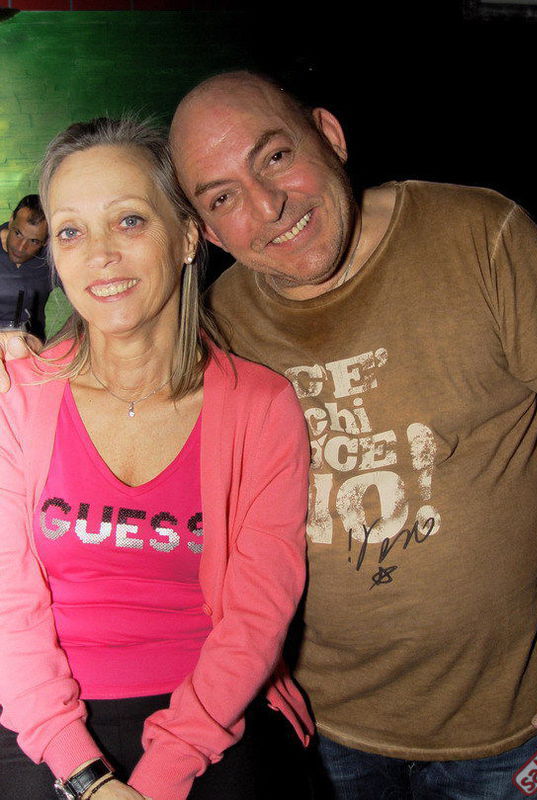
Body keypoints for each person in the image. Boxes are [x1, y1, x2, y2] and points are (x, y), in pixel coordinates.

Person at [167, 72, 537, 799]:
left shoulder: (480, 235)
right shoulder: (218, 325)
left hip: (512, 723)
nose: (268, 207)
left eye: (275, 157)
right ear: (208, 232)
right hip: (318, 732)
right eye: (223, 198)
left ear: (329, 136)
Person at [0, 116, 312, 800]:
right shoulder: (18, 397)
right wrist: (87, 778)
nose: (100, 255)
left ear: (188, 236)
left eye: (130, 220)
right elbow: (8, 609)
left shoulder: (261, 407)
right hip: (44, 717)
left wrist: (166, 772)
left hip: (212, 707)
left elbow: (257, 615)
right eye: (70, 232)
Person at [0, 194, 52, 341]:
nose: (21, 247)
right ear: (11, 221)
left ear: (46, 241)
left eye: (34, 241)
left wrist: (56, 346)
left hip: (30, 350)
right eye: (18, 233)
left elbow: (87, 310)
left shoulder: (52, 261)